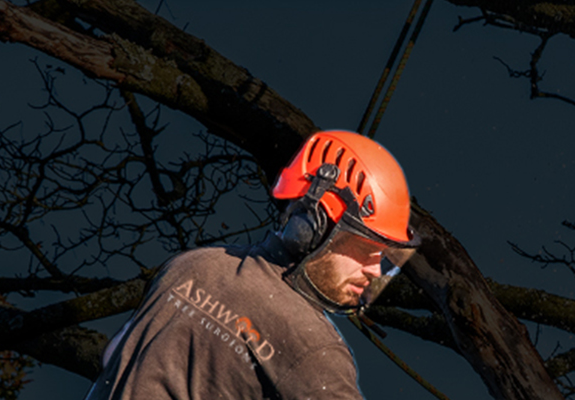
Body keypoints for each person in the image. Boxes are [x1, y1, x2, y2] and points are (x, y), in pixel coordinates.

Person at [84, 130, 420, 399]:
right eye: (364, 248)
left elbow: (114, 358)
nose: (376, 270)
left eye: (385, 258)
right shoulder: (312, 346)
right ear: (311, 227)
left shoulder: (189, 267)